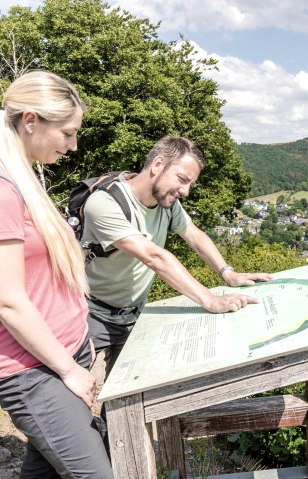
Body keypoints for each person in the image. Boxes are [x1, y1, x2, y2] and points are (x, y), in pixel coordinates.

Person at [0, 71, 113, 478]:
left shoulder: (21, 176)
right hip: (34, 368)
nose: (73, 145)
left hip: (64, 350)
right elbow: (8, 301)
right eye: (67, 133)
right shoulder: (3, 189)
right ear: (30, 120)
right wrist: (69, 370)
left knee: (46, 470)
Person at [82, 135, 272, 376]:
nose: (185, 191)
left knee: (125, 401)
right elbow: (154, 257)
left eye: (190, 184)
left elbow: (194, 235)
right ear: (158, 165)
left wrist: (229, 274)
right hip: (89, 313)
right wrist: (209, 299)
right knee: (71, 391)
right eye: (182, 180)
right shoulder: (105, 203)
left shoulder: (167, 203)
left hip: (134, 314)